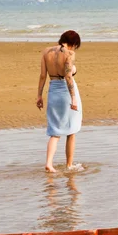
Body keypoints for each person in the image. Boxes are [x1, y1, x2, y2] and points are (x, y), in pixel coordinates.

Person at [36, 30, 82, 172]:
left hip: (53, 91)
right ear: (73, 44)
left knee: (54, 131)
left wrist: (39, 96)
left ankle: (49, 163)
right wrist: (73, 98)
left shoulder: (46, 52)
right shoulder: (69, 54)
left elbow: (43, 75)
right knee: (71, 130)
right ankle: (69, 165)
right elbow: (68, 77)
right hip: (66, 92)